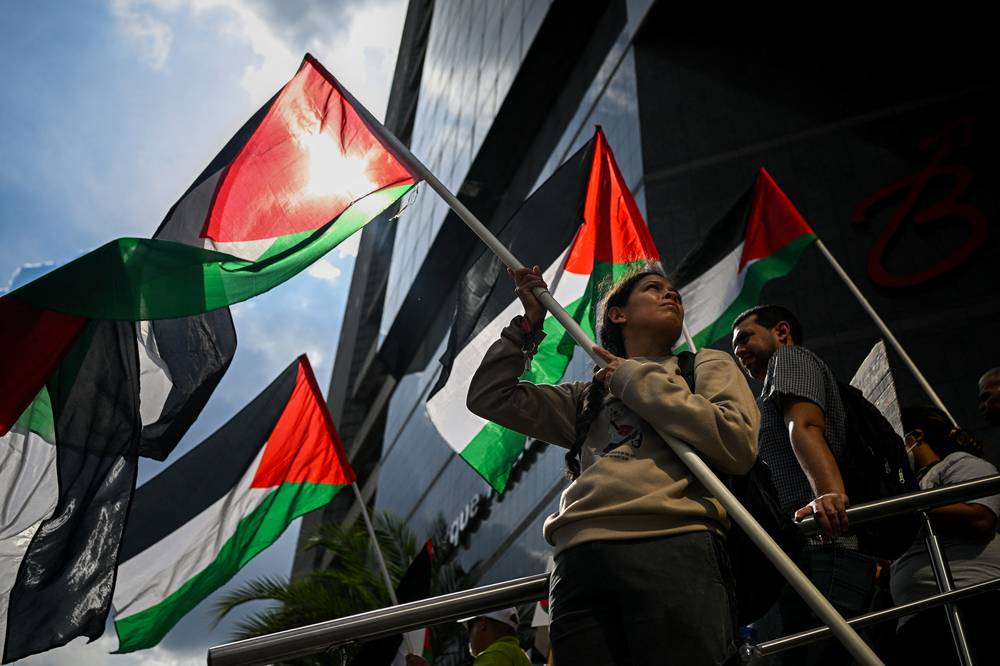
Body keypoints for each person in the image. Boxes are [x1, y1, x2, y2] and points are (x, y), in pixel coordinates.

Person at [467, 264, 759, 665]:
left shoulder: (705, 366)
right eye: (654, 288)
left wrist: (633, 380)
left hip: (675, 544)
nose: (670, 294)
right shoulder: (585, 397)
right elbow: (489, 396)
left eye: (673, 290)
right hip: (578, 561)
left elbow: (737, 444)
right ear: (618, 314)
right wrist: (529, 323)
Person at [731, 304, 877, 665]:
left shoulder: (790, 359)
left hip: (822, 545)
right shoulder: (768, 392)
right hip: (804, 553)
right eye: (734, 348)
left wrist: (829, 494)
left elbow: (806, 426)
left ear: (781, 332)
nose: (739, 351)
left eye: (745, 337)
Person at [889, 405, 1000, 665]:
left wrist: (906, 506)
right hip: (917, 612)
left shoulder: (959, 464)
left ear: (913, 437)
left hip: (969, 598)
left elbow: (981, 517)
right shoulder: (908, 485)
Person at [406, 608, 531, 666]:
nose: (468, 635)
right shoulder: (517, 654)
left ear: (483, 624)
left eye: (470, 626)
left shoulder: (498, 652)